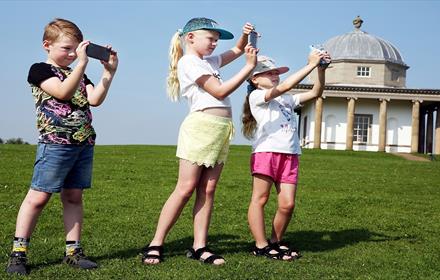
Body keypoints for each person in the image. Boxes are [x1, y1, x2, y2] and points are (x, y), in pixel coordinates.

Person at [5, 18, 118, 275]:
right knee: (38, 197)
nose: (72, 54)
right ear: (47, 45)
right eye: (67, 49)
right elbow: (63, 93)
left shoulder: (79, 72)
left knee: (73, 196)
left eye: (77, 49)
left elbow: (94, 99)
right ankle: (18, 253)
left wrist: (109, 74)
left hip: (83, 143)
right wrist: (81, 64)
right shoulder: (40, 70)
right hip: (55, 145)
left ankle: (73, 252)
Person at [141, 17, 257, 266]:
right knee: (185, 188)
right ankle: (156, 243)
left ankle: (199, 246)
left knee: (208, 189)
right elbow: (220, 91)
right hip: (201, 128)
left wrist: (245, 37)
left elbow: (236, 50)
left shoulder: (208, 61)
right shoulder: (189, 62)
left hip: (221, 129)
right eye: (211, 38)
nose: (215, 43)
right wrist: (249, 68)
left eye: (217, 40)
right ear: (191, 38)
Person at [241, 53, 329, 261]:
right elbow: (287, 85)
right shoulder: (256, 97)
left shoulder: (286, 100)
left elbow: (316, 92)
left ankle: (275, 242)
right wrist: (311, 63)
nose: (274, 75)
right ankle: (260, 245)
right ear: (255, 79)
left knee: (287, 204)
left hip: (290, 155)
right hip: (266, 152)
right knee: (260, 199)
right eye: (268, 72)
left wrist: (320, 70)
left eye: (276, 72)